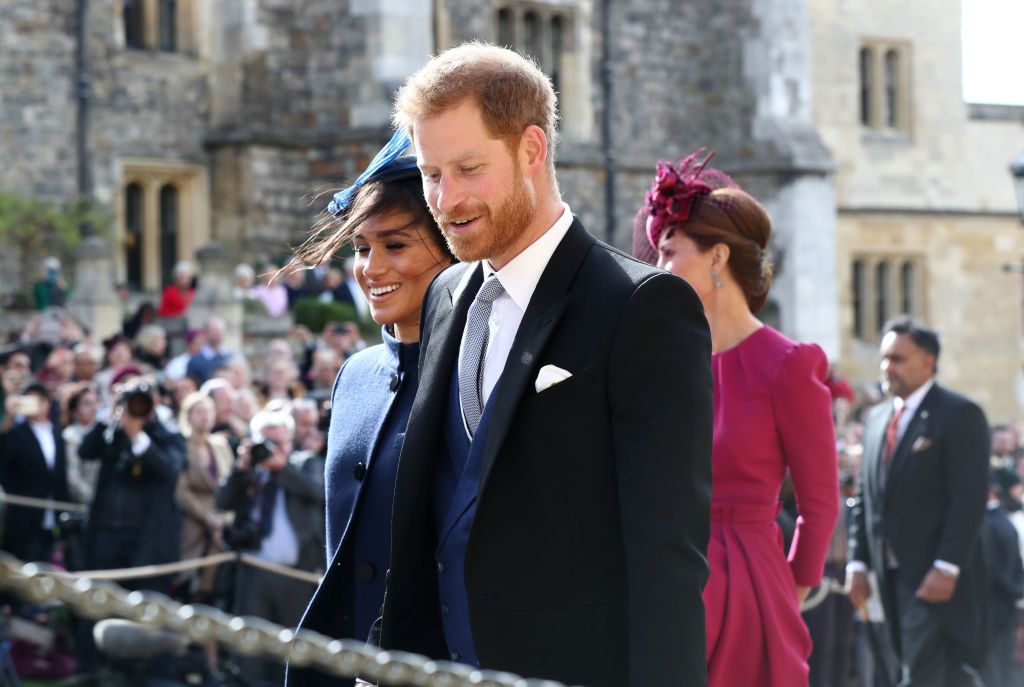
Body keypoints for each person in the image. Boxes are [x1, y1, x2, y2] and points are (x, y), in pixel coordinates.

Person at [367, 44, 712, 686]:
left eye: (468, 168)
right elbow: (429, 512)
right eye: (431, 173)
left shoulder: (643, 307)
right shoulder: (444, 295)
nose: (444, 199)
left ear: (532, 149)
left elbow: (669, 557)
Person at [636, 149, 839, 686]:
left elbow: (819, 506)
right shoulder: (667, 363)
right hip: (669, 579)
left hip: (753, 586)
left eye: (669, 253)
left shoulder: (789, 365)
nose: (658, 270)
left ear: (717, 258)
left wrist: (785, 592)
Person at [286, 142, 454, 686]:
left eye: (396, 244)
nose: (371, 267)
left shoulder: (480, 375)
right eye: (360, 247)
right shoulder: (354, 375)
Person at [847, 317, 990, 686]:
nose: (886, 367)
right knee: (905, 666)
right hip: (886, 573)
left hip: (933, 576)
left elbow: (968, 498)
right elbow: (866, 497)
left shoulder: (959, 415)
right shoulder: (877, 419)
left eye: (897, 359)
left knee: (920, 671)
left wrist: (947, 565)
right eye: (884, 358)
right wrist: (858, 561)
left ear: (928, 362)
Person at [215, 408, 324, 687]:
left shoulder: (304, 462)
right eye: (266, 442)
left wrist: (281, 468)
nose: (272, 449)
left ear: (289, 441)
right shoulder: (249, 471)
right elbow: (223, 501)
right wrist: (241, 469)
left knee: (289, 650)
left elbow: (316, 490)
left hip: (297, 574)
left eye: (279, 442)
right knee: (251, 647)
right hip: (254, 570)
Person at [0, 382, 70, 564]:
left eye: (39, 400)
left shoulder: (56, 432)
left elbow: (60, 476)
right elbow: (4, 457)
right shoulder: (15, 433)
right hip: (23, 516)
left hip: (51, 513)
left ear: (47, 403)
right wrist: (8, 416)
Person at [174, 392, 234, 598]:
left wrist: (223, 520)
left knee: (214, 584)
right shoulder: (180, 444)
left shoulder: (220, 444)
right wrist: (208, 519)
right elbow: (181, 490)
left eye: (208, 411)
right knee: (186, 580)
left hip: (221, 520)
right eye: (199, 411)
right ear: (188, 415)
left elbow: (232, 485)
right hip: (192, 521)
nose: (205, 416)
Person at [981, 469, 1024, 687]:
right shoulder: (1001, 521)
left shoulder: (989, 523)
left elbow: (995, 570)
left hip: (996, 606)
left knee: (997, 669)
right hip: (1006, 605)